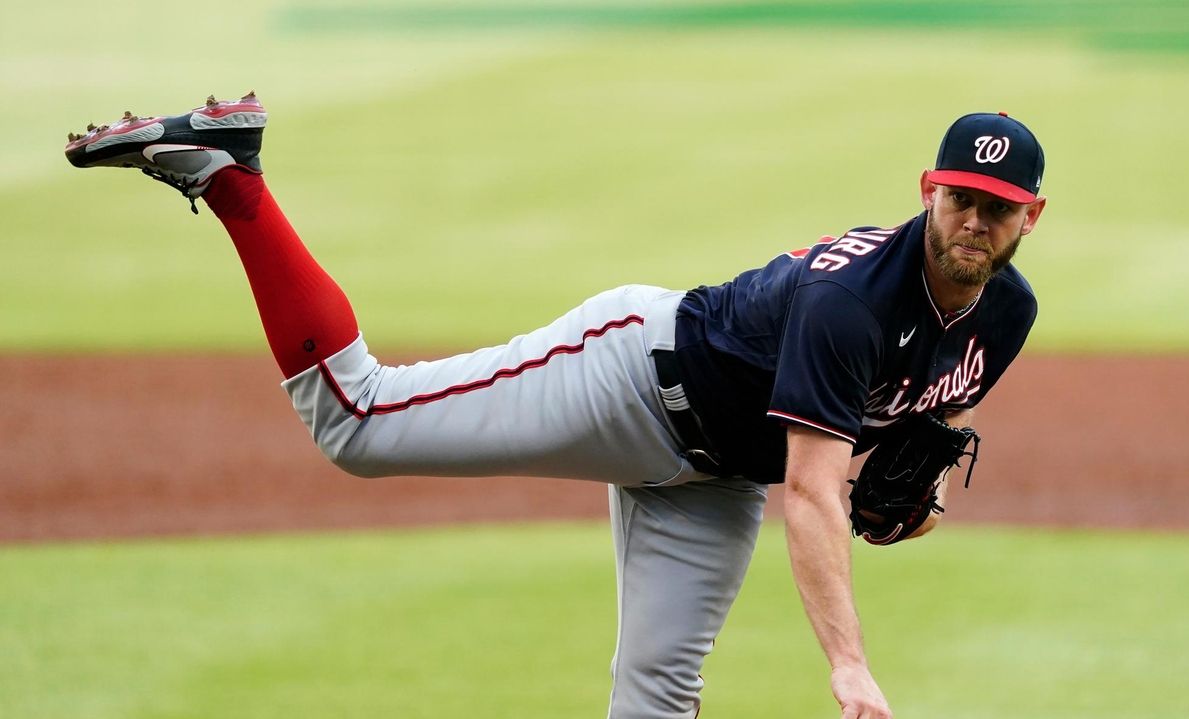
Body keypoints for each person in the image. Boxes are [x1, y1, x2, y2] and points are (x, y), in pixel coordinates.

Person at [65, 96, 1046, 719]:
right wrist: (847, 665)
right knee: (356, 423)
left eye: (995, 206)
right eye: (957, 196)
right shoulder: (849, 303)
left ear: (1026, 217)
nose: (972, 218)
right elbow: (813, 491)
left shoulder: (1005, 315)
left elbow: (875, 459)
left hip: (710, 480)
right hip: (630, 375)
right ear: (925, 189)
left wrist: (900, 499)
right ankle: (231, 176)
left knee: (655, 696)